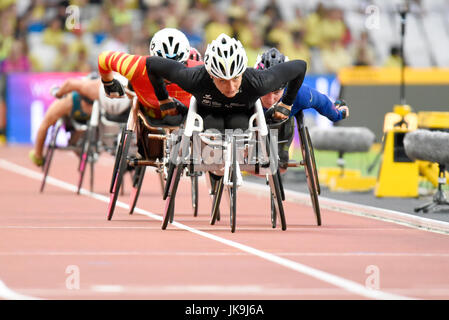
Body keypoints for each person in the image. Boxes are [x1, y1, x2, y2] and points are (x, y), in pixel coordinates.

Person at [126, 33, 307, 134]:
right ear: (211, 75)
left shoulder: (259, 81)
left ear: (243, 72)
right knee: (213, 126)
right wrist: (163, 99)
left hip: (242, 117)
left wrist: (286, 103)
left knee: (239, 124)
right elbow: (151, 64)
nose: (230, 87)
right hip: (208, 116)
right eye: (222, 81)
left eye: (235, 79)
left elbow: (300, 66)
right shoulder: (194, 77)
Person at [256, 47, 349, 169]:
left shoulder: (300, 94)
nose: (270, 98)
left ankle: (280, 153)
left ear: (286, 87)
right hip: (250, 129)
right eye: (266, 91)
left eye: (276, 93)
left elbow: (322, 102)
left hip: (281, 129)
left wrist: (338, 113)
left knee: (279, 164)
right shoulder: (248, 86)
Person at [98, 28, 203, 125]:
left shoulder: (199, 70)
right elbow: (104, 58)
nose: (169, 75)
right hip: (148, 118)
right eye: (163, 69)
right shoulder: (137, 66)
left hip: (187, 120)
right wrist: (108, 83)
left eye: (177, 67)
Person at [29, 73, 130, 166]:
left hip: (89, 115)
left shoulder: (97, 90)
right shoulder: (69, 101)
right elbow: (44, 126)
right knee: (54, 124)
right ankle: (74, 146)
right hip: (75, 111)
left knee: (80, 132)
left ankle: (78, 148)